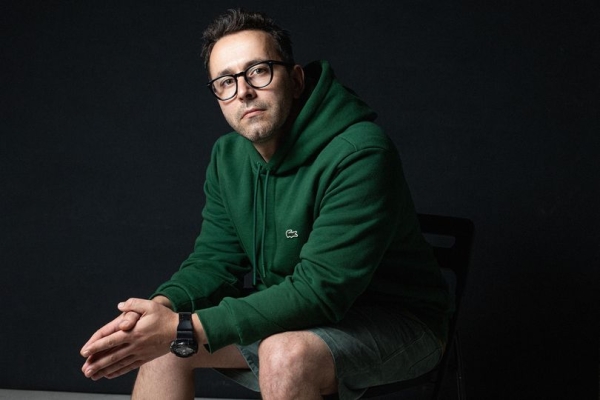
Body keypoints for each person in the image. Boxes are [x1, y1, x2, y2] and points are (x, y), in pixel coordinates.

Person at [80, 8, 450, 400]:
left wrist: (183, 326)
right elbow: (214, 261)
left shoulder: (360, 153)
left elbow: (319, 292)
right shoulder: (228, 158)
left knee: (282, 354)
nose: (243, 91)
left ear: (296, 80)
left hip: (397, 323)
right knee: (165, 344)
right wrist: (158, 311)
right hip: (289, 317)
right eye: (226, 81)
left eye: (258, 71)